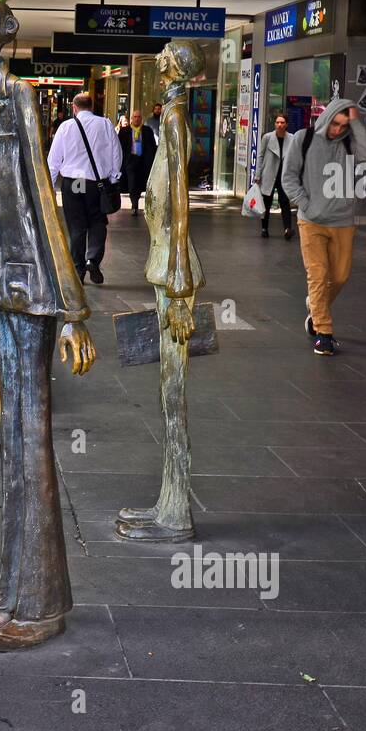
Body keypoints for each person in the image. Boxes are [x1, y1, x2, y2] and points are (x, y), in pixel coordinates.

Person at [0, 0, 95, 652]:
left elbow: (41, 191)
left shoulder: (19, 98)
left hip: (32, 284)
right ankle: (10, 594)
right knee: (11, 443)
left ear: (5, 39)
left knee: (31, 438)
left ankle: (40, 602)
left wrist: (71, 311)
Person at [115, 41, 207, 544]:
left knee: (173, 392)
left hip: (174, 268)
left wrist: (176, 273)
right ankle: (168, 502)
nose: (158, 62)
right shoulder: (170, 113)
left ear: (175, 68)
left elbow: (179, 201)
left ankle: (176, 512)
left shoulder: (172, 119)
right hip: (168, 263)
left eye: (165, 58)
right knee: (168, 390)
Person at [281, 97, 366, 357]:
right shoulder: (304, 138)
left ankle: (315, 306)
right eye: (335, 123)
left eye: (343, 125)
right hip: (311, 221)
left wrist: (355, 121)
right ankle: (323, 333)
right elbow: (288, 177)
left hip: (343, 221)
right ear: (327, 117)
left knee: (340, 276)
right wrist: (306, 204)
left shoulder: (349, 141)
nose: (337, 129)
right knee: (318, 275)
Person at [47, 91, 121, 284]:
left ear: (74, 107)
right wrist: (113, 178)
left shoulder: (66, 127)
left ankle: (78, 269)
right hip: (97, 183)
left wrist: (49, 187)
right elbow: (116, 153)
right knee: (97, 220)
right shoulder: (105, 124)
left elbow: (54, 160)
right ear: (92, 106)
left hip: (76, 182)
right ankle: (93, 259)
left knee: (77, 225)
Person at [254, 113, 295, 239]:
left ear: (286, 124)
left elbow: (294, 158)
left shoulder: (292, 138)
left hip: (284, 176)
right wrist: (258, 174)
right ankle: (264, 228)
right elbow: (260, 156)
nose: (279, 125)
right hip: (269, 174)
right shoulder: (267, 137)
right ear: (275, 124)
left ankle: (287, 229)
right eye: (277, 122)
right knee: (266, 203)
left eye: (282, 122)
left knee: (285, 203)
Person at [118, 108, 158, 216]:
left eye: (138, 117)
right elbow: (119, 147)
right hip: (130, 161)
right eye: (135, 117)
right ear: (131, 119)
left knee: (140, 183)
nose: (137, 119)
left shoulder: (147, 131)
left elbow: (153, 146)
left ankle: (136, 198)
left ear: (141, 118)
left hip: (143, 161)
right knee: (131, 182)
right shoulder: (124, 131)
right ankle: (134, 204)